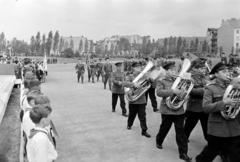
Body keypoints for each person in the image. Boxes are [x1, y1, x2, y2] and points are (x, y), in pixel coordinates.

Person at [196, 62, 240, 162]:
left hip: (234, 127)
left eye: (228, 71)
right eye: (223, 71)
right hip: (218, 129)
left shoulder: (234, 86)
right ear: (216, 74)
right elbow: (206, 108)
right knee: (209, 154)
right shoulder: (210, 88)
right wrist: (224, 102)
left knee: (236, 155)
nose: (227, 73)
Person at [155, 61, 192, 162]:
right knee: (165, 128)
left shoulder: (179, 80)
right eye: (171, 70)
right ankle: (159, 140)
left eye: (174, 70)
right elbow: (159, 93)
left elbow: (186, 91)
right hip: (167, 110)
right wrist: (173, 91)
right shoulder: (161, 80)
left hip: (179, 110)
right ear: (166, 71)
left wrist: (185, 95)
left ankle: (183, 153)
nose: (173, 72)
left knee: (180, 132)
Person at [184, 58, 209, 142]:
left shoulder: (204, 77)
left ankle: (211, 143)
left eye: (204, 68)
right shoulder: (189, 77)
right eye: (201, 68)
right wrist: (205, 90)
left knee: (207, 128)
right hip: (194, 107)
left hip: (204, 106)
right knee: (189, 126)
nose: (204, 70)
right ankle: (183, 139)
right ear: (195, 68)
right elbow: (191, 91)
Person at [125, 62, 151, 138]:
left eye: (140, 67)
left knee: (142, 116)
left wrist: (151, 80)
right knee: (132, 115)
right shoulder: (130, 76)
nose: (139, 69)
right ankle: (129, 124)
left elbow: (151, 85)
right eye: (137, 67)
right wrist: (133, 84)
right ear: (133, 68)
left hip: (142, 99)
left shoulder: (144, 76)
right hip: (133, 99)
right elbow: (125, 84)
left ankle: (144, 130)